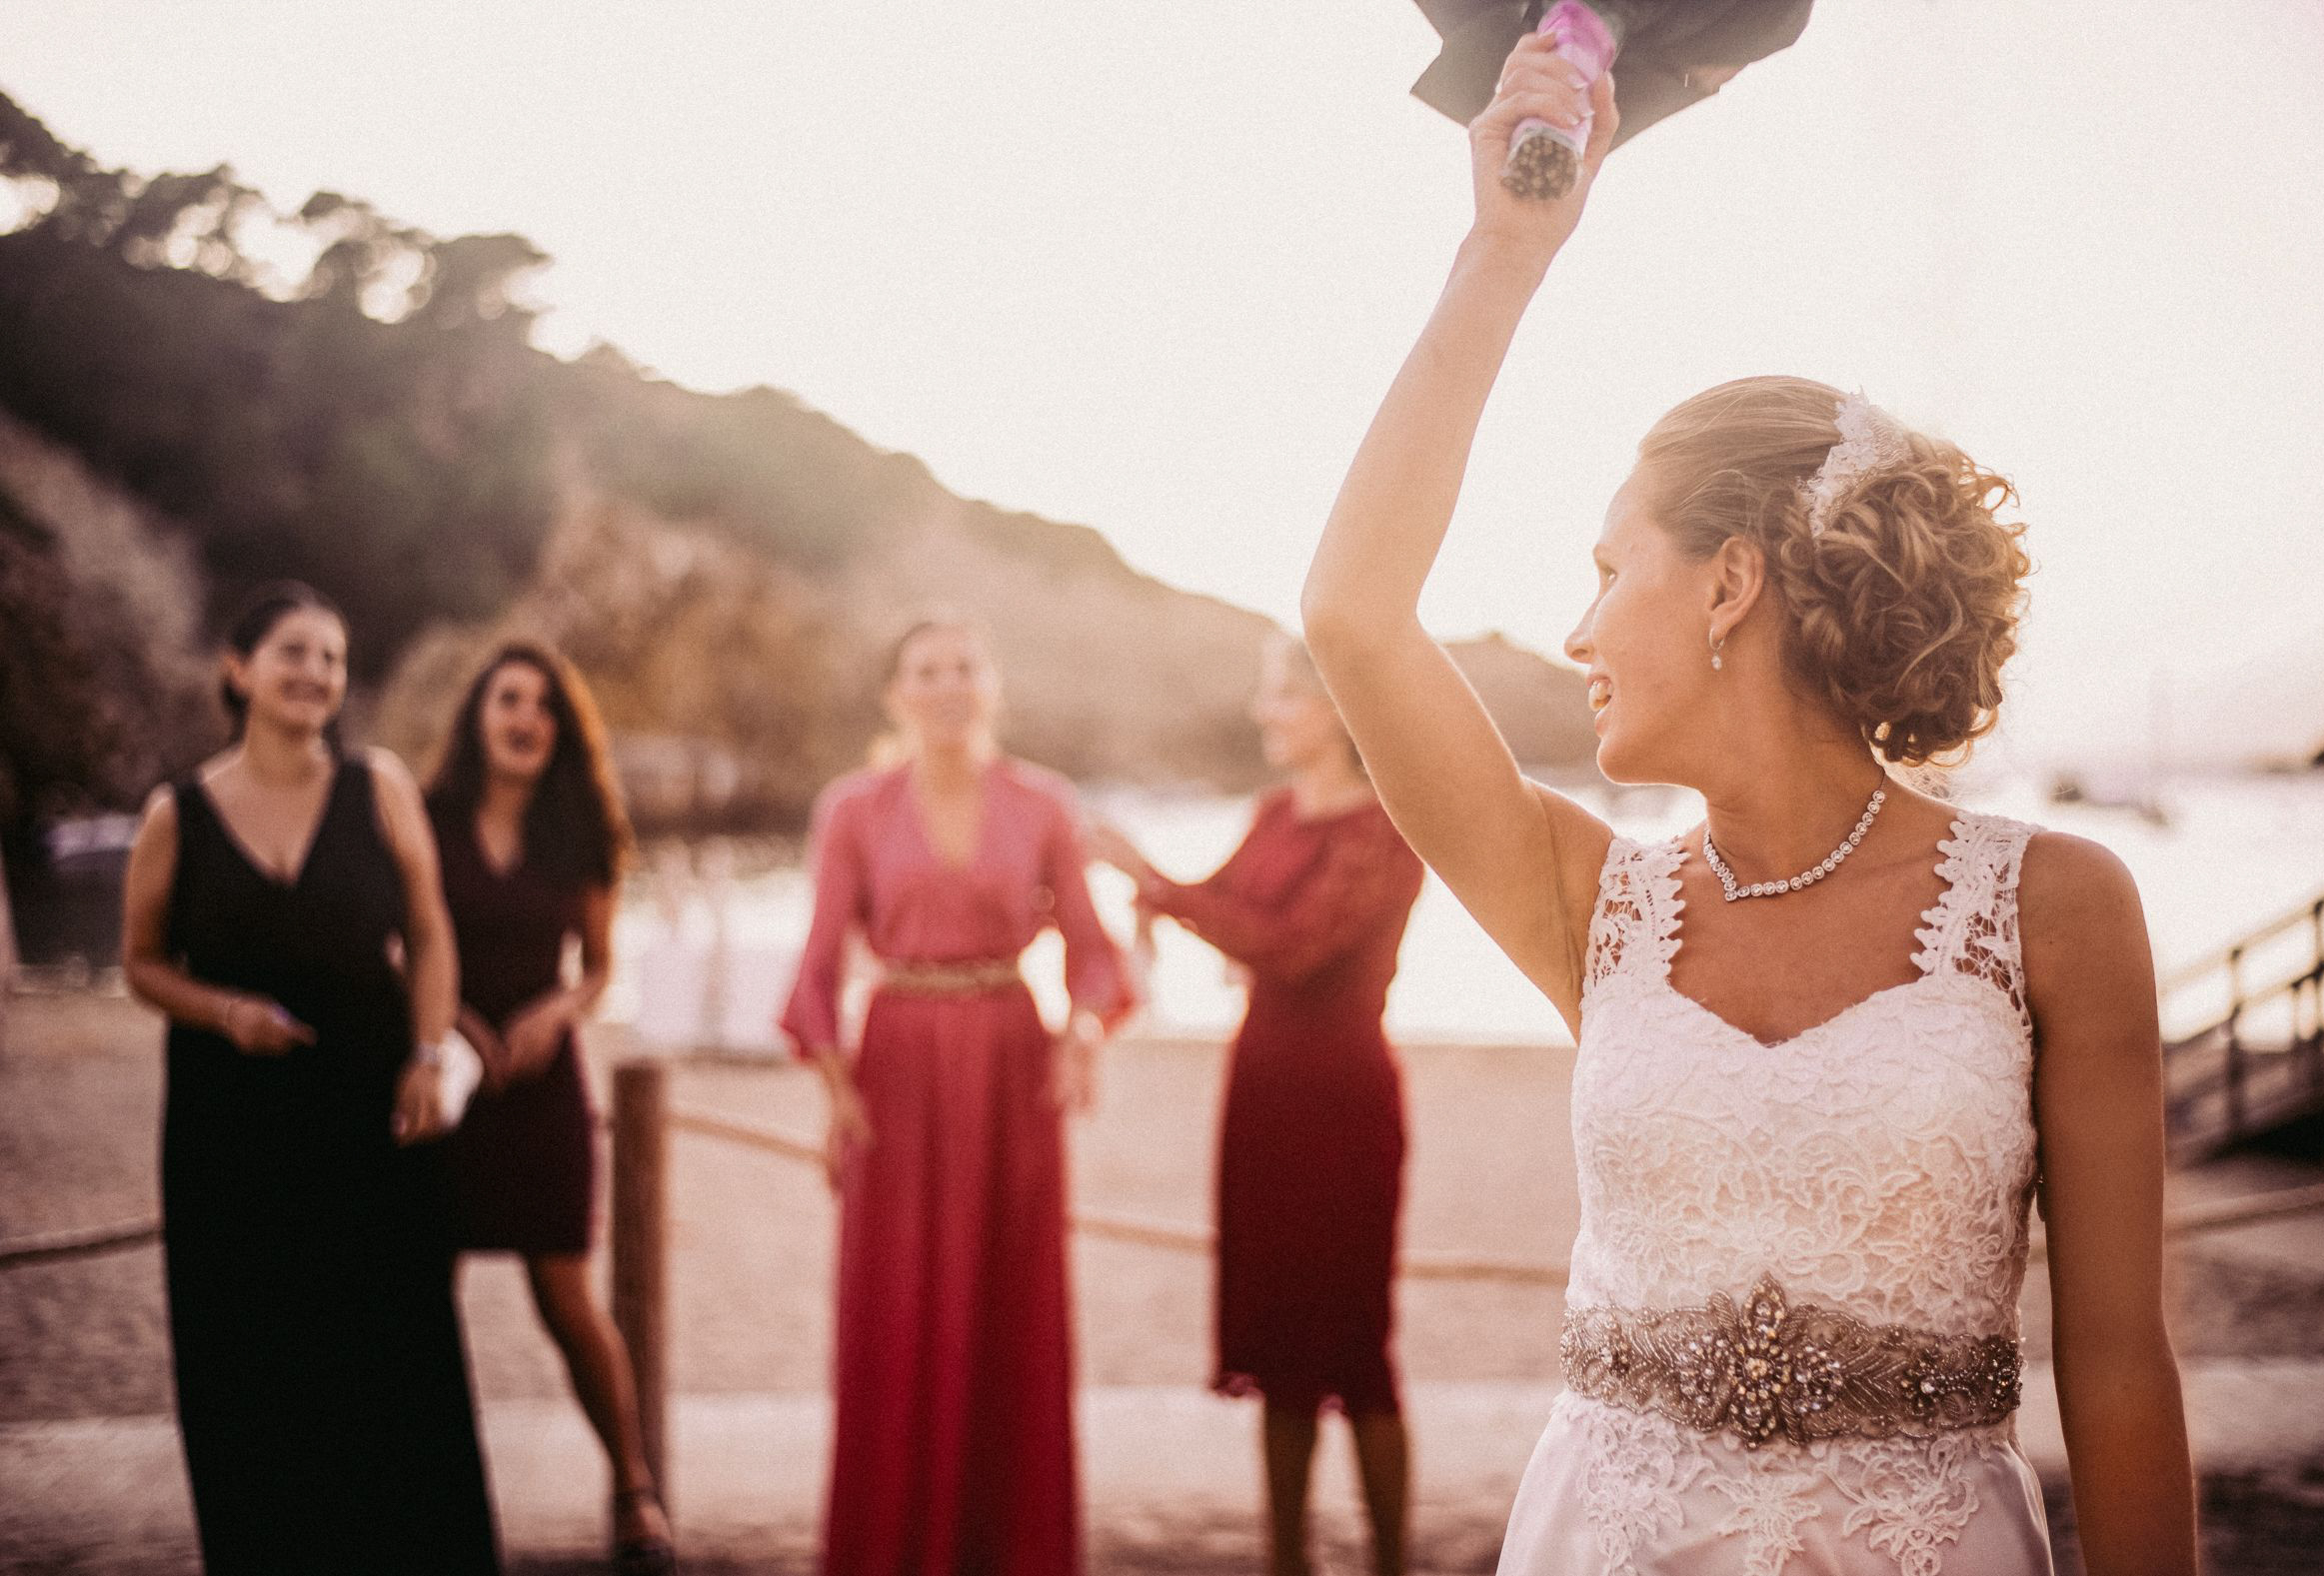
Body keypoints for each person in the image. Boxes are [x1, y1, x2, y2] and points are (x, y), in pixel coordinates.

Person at [1295, 35, 2197, 1576]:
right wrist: (1504, 252)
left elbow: (2116, 1370)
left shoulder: (2053, 908)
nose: (1576, 633)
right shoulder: (1589, 903)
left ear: (1728, 582)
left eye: (1606, 571)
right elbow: (1353, 616)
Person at [118, 581, 502, 1573]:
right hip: (229, 1125)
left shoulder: (378, 787)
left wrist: (427, 1055)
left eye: (332, 657)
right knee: (250, 1359)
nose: (316, 673)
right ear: (238, 669)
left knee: (396, 1353)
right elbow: (142, 963)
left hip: (371, 1106)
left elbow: (430, 934)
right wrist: (224, 1011)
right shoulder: (177, 813)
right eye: (293, 651)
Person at [779, 616, 1136, 1576]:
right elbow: (817, 965)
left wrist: (1084, 1030)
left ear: (991, 685)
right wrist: (833, 1081)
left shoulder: (1043, 802)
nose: (946, 685)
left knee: (1011, 1309)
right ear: (896, 696)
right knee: (895, 1306)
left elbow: (1095, 954)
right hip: (894, 1069)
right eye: (925, 670)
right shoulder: (853, 808)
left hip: (1013, 1067)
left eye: (963, 667)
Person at [1092, 634, 1425, 1576]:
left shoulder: (1388, 827)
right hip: (1263, 1093)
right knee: (1280, 1342)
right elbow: (1220, 903)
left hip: (1343, 1099)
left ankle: (1391, 1561)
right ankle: (1287, 1559)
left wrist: (1154, 883)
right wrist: (1145, 889)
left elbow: (1292, 946)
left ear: (1338, 703)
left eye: (1283, 693)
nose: (1263, 710)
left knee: (1357, 1343)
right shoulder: (1275, 811)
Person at [424, 642, 671, 1575]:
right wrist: (448, 1020)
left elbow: (600, 969)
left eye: (545, 706)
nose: (527, 718)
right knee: (420, 1292)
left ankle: (633, 1489)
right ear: (477, 715)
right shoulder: (425, 816)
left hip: (541, 1087)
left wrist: (553, 1012)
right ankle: (419, 1491)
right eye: (509, 699)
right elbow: (397, 942)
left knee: (566, 1297)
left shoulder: (582, 830)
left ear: (563, 730)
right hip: (441, 1079)